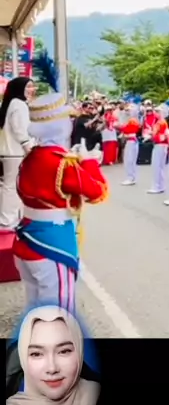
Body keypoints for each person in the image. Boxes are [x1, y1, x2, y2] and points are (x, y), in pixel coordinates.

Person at [13, 92, 108, 312]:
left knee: (35, 306)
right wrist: (90, 162)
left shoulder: (31, 157)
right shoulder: (62, 163)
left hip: (27, 238)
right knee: (59, 311)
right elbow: (97, 192)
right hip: (52, 243)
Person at [6, 305, 100, 405]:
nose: (52, 368)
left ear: (79, 352)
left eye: (64, 351)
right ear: (22, 358)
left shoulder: (96, 398)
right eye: (36, 354)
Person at [0, 77, 36, 230]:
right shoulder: (19, 104)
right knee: (12, 187)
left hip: (7, 152)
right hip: (15, 152)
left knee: (7, 185)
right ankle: (7, 220)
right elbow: (20, 129)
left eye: (33, 86)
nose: (32, 90)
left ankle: (8, 218)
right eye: (28, 86)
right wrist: (28, 146)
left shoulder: (9, 103)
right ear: (19, 88)